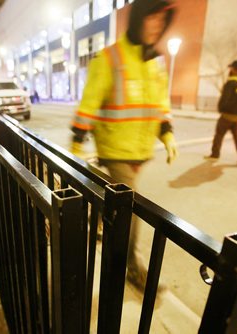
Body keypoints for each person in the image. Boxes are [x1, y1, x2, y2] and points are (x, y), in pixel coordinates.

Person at [70, 0, 178, 290]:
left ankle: (96, 225)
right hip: (116, 151)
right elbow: (89, 103)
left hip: (140, 152)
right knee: (131, 213)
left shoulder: (155, 61)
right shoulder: (110, 58)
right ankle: (132, 267)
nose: (156, 26)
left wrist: (166, 134)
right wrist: (76, 144)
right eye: (151, 18)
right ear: (138, 18)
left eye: (162, 21)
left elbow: (159, 105)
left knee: (115, 205)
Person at [204, 60, 237, 166]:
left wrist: (221, 108)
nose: (229, 70)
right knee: (236, 135)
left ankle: (214, 155)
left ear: (233, 69)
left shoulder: (231, 82)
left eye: (230, 68)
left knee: (219, 135)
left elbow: (225, 98)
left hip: (227, 115)